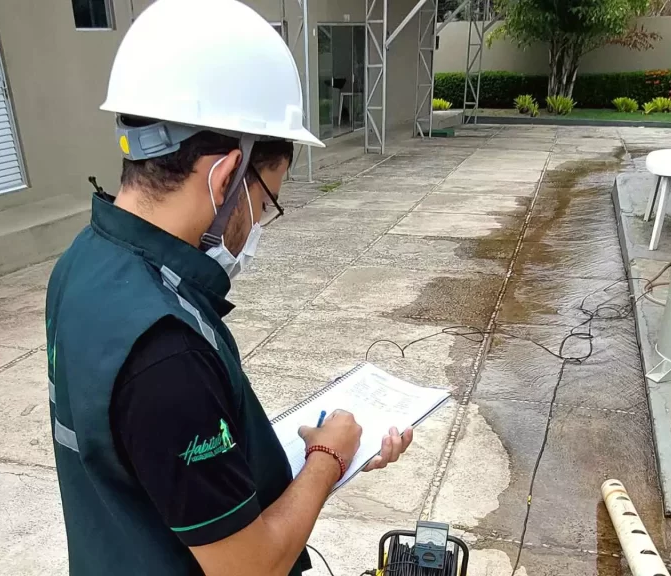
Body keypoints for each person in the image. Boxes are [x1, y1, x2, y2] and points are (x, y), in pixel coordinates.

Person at [45, 1, 412, 575]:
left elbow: (157, 460)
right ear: (224, 178)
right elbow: (249, 568)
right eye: (266, 201)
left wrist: (316, 454)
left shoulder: (83, 262)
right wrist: (327, 458)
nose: (259, 222)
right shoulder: (165, 353)